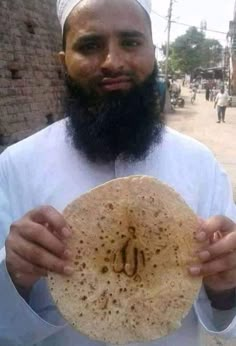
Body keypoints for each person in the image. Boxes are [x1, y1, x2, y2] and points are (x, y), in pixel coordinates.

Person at [0, 0, 236, 345]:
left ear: (153, 53)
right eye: (90, 45)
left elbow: (227, 320)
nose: (113, 62)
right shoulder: (15, 167)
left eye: (130, 42)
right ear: (63, 62)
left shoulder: (200, 163)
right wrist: (13, 276)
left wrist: (226, 287)